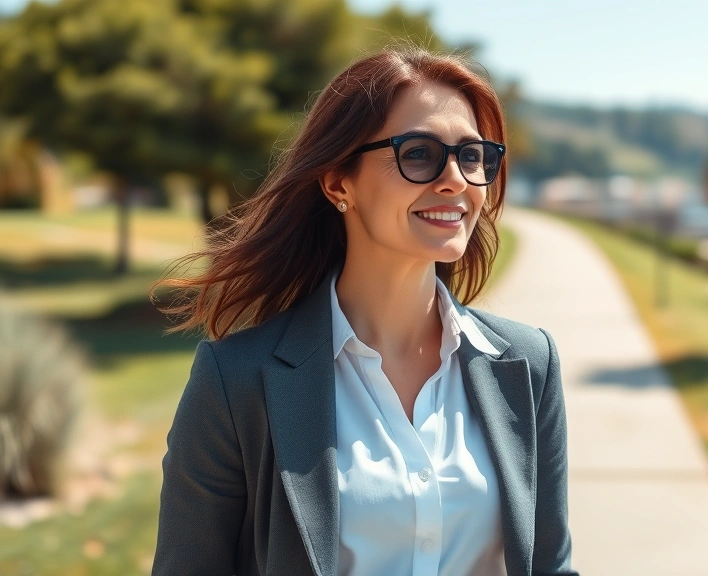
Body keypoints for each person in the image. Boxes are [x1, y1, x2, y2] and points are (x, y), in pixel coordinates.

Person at [151, 49, 576, 576]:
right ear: (338, 183)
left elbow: (551, 566)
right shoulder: (236, 383)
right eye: (418, 154)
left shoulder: (529, 365)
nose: (456, 180)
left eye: (472, 156)